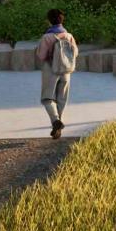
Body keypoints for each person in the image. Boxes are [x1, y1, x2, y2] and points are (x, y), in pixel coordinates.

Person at [36, 8, 78, 139]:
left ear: (49, 21)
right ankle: (58, 128)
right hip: (66, 71)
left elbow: (41, 56)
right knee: (62, 99)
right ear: (61, 20)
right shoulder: (69, 36)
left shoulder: (47, 37)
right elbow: (75, 53)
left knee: (47, 98)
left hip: (51, 70)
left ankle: (55, 121)